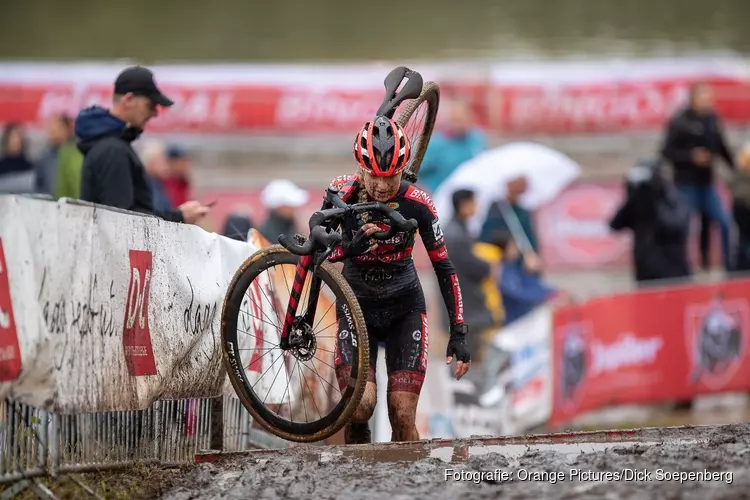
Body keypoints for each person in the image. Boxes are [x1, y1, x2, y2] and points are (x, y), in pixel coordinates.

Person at [329, 116, 470, 444]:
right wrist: (348, 247)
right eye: (374, 177)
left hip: (403, 309)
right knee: (361, 407)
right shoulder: (342, 192)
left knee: (402, 412)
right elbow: (316, 250)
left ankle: (410, 486)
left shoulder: (419, 203)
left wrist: (459, 331)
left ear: (403, 169)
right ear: (360, 169)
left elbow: (444, 267)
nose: (381, 186)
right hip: (356, 307)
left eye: (390, 177)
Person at [76, 65, 210, 224]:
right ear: (129, 100)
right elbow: (122, 220)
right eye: (150, 105)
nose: (155, 113)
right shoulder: (112, 150)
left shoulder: (111, 144)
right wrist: (178, 217)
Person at [660, 81, 735, 271]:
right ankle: (683, 267)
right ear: (693, 98)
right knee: (684, 226)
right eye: (704, 97)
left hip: (707, 182)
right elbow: (666, 151)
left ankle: (729, 268)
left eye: (710, 97)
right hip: (685, 183)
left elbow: (721, 145)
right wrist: (691, 157)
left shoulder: (712, 118)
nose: (708, 101)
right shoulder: (680, 121)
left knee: (723, 222)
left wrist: (735, 167)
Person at [609, 158, 692, 285]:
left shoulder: (675, 200)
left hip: (673, 272)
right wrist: (632, 196)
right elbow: (615, 224)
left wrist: (654, 195)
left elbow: (672, 226)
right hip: (646, 272)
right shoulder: (638, 203)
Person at [442, 189, 497, 365]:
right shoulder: (455, 236)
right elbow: (474, 267)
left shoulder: (456, 231)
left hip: (463, 308)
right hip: (465, 309)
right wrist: (489, 265)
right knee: (466, 362)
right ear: (464, 205)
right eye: (474, 203)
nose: (477, 207)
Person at [418, 98, 486, 193]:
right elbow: (418, 171)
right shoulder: (436, 143)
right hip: (441, 198)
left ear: (470, 117)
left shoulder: (478, 139)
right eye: (455, 119)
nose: (458, 124)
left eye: (461, 119)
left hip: (469, 198)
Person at [258, 179, 309, 243]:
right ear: (279, 207)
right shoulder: (267, 235)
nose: (294, 209)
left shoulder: (289, 229)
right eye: (290, 205)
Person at [0, 123, 34, 193]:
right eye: (13, 137)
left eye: (18, 137)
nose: (16, 141)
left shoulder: (29, 166)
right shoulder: (1, 165)